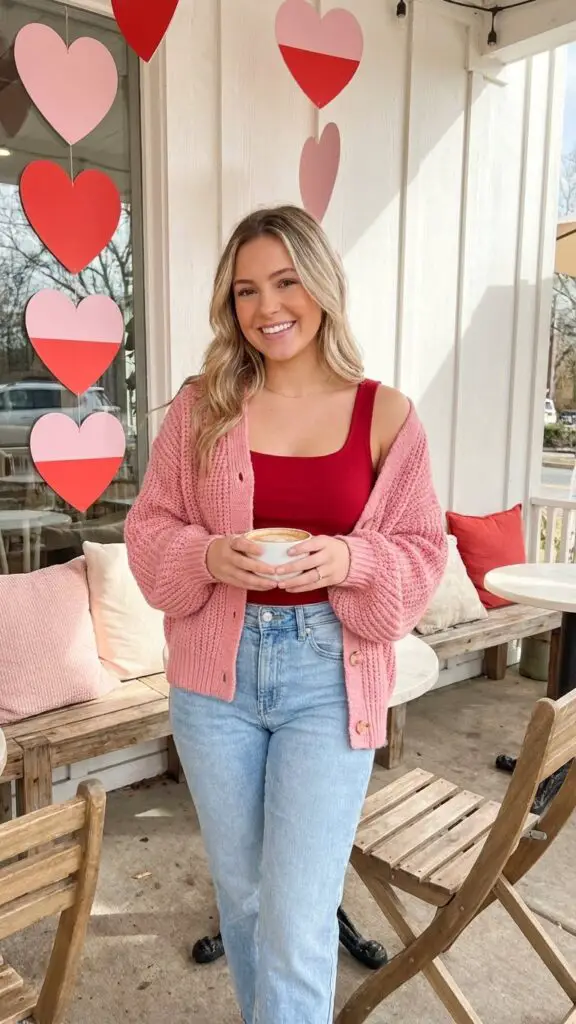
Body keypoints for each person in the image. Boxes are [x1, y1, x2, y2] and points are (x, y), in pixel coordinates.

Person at [124, 205, 447, 1024]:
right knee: (243, 904)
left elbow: (419, 552)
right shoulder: (203, 406)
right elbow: (148, 525)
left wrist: (351, 558)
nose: (267, 307)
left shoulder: (386, 415)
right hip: (213, 680)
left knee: (300, 921)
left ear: (322, 283)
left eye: (286, 281)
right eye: (244, 291)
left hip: (328, 677)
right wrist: (205, 555)